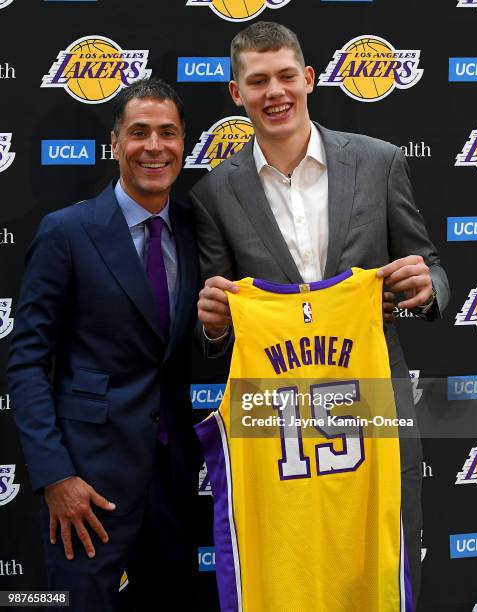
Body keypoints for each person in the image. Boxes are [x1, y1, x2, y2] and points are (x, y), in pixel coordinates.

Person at [190, 21, 450, 608]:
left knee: (383, 568)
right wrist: (211, 325)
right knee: (292, 575)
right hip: (277, 424)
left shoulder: (378, 162)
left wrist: (426, 286)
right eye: (257, 81)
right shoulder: (213, 194)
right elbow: (218, 322)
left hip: (373, 409)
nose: (274, 92)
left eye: (286, 75)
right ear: (237, 93)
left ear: (308, 79)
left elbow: (432, 267)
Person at [8, 78, 201, 612]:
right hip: (86, 490)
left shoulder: (194, 230)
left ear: (184, 143)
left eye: (168, 132)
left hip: (173, 487)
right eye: (138, 133)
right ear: (114, 144)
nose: (154, 147)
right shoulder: (66, 232)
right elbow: (26, 364)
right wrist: (56, 477)